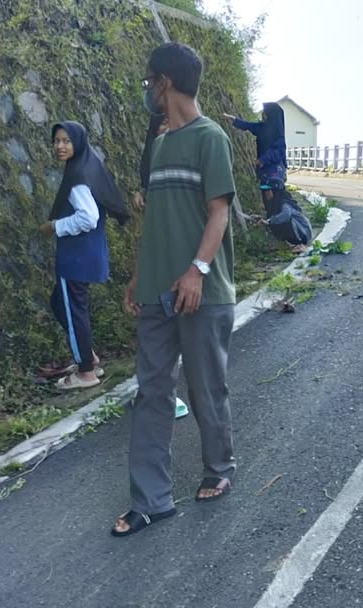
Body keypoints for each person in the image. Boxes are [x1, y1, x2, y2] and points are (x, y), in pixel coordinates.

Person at [114, 42, 237, 537]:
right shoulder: (161, 145)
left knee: (206, 390)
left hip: (203, 291)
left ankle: (219, 468)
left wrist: (196, 270)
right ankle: (151, 500)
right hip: (157, 292)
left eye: (149, 81)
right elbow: (158, 222)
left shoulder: (211, 138)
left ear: (164, 82)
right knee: (152, 393)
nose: (147, 91)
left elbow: (219, 213)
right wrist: (139, 275)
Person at [42, 121, 130, 390]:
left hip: (75, 257)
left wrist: (55, 226)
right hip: (90, 252)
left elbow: (88, 218)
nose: (60, 146)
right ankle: (87, 356)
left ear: (77, 142)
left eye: (66, 141)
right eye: (57, 141)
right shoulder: (88, 164)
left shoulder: (77, 177)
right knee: (60, 303)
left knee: (73, 310)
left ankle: (85, 372)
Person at [131, 112, 192, 420]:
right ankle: (157, 391)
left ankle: (169, 394)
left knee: (175, 327)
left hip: (182, 260)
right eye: (160, 127)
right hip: (156, 260)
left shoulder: (188, 161)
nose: (166, 132)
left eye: (170, 125)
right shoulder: (152, 168)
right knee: (156, 329)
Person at [224, 102, 288, 194]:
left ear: (271, 114)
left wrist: (263, 159)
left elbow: (277, 152)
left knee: (274, 197)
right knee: (266, 196)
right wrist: (233, 119)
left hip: (274, 173)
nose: (263, 114)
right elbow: (247, 125)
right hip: (263, 172)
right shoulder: (261, 128)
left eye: (265, 112)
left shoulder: (279, 135)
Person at [255, 187, 313, 253]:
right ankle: (285, 243)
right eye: (264, 192)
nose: (266, 194)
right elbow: (272, 217)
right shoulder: (272, 204)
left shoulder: (285, 203)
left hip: (304, 232)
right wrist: (259, 218)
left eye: (268, 191)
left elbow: (285, 216)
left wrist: (268, 221)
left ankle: (299, 244)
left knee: (279, 221)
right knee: (273, 221)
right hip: (298, 230)